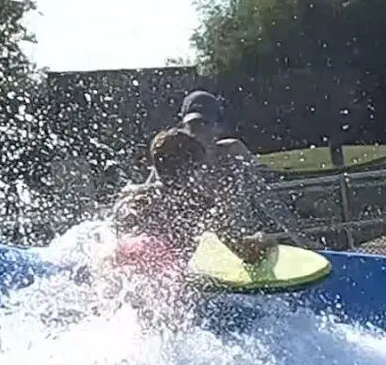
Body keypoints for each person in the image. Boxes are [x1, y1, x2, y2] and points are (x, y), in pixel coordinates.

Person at [130, 90, 309, 249]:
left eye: (205, 124)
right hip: (198, 248)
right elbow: (147, 197)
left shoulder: (233, 152)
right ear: (184, 128)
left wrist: (300, 237)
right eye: (193, 126)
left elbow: (265, 196)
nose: (199, 132)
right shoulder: (176, 160)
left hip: (241, 240)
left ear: (219, 126)